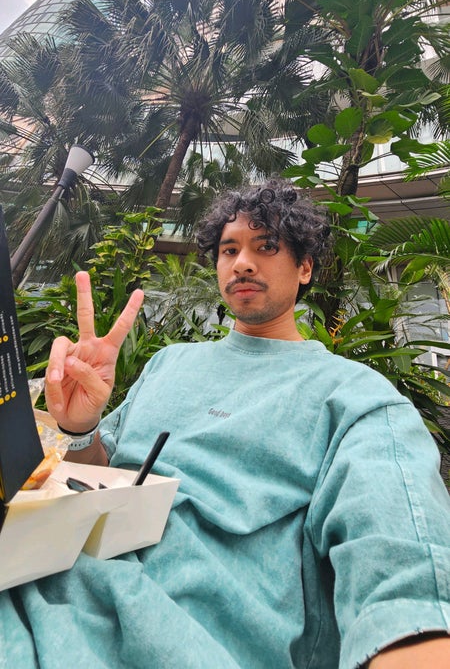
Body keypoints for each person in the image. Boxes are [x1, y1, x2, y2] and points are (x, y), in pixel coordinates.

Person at [1, 178, 450, 668]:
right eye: (228, 249)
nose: (242, 263)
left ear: (305, 267)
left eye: (266, 246)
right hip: (36, 575)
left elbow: (402, 576)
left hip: (182, 639)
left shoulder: (354, 395)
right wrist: (80, 428)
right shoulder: (168, 363)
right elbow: (98, 472)